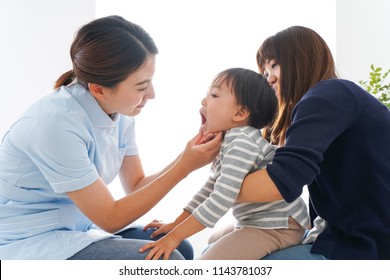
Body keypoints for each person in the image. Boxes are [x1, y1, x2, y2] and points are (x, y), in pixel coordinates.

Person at [0, 15, 222, 260]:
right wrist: (184, 167)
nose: (152, 94)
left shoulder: (119, 113)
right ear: (98, 88)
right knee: (166, 261)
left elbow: (135, 186)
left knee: (181, 246)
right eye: (141, 86)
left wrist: (187, 156)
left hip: (75, 228)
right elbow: (111, 219)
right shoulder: (54, 125)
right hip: (28, 239)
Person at [236, 26, 390, 260]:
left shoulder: (327, 95)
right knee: (218, 241)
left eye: (274, 65)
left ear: (302, 59)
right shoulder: (331, 97)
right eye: (265, 72)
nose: (270, 78)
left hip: (368, 245)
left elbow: (281, 182)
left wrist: (220, 189)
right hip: (361, 235)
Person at [139, 68, 310, 260]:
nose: (204, 100)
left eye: (214, 95)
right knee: (213, 238)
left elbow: (221, 198)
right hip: (257, 220)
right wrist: (176, 224)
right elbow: (209, 189)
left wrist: (174, 237)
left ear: (240, 112)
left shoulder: (242, 141)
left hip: (276, 226)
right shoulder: (229, 139)